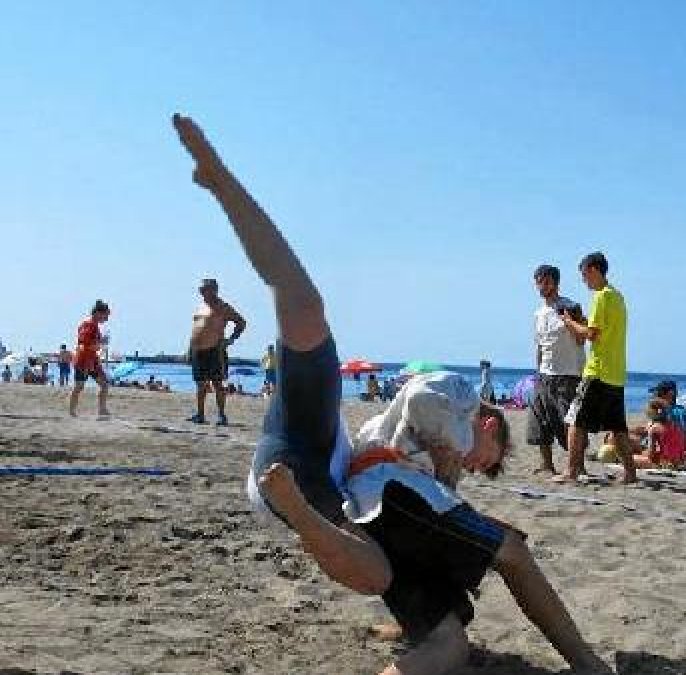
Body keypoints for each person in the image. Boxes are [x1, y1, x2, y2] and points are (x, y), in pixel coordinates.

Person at [172, 114, 611, 675]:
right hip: (347, 482)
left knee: (446, 643)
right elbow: (416, 403)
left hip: (327, 487)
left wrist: (447, 471)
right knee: (509, 550)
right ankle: (587, 664)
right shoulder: (459, 404)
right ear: (488, 425)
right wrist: (452, 443)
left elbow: (431, 487)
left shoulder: (410, 459)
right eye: (489, 454)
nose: (479, 464)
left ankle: (314, 530)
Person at [558, 252, 637, 484]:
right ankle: (630, 474)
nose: (584, 281)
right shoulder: (618, 297)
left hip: (599, 371)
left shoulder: (602, 297)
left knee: (575, 421)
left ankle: (571, 472)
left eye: (584, 275)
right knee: (618, 427)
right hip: (616, 373)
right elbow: (601, 331)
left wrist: (569, 322)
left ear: (594, 270)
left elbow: (592, 335)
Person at [527, 264, 587, 475]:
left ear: (555, 282)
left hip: (568, 374)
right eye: (539, 282)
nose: (542, 286)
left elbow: (582, 338)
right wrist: (537, 373)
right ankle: (547, 463)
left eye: (546, 281)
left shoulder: (571, 306)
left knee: (570, 421)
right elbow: (540, 345)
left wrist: (570, 320)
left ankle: (578, 466)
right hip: (545, 373)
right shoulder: (538, 313)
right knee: (540, 419)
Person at [188, 277, 246, 426]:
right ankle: (200, 415)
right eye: (200, 290)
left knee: (217, 383)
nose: (201, 292)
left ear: (213, 290)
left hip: (215, 349)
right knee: (200, 384)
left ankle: (221, 415)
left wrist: (231, 339)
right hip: (197, 350)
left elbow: (241, 322)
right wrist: (189, 350)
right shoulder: (200, 306)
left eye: (204, 289)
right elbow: (195, 329)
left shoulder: (223, 306)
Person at [648, 380, 686, 470]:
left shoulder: (661, 412)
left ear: (670, 393)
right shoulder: (681, 411)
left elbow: (651, 453)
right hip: (679, 458)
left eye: (659, 392)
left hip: (663, 459)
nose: (656, 395)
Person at [68, 300, 112, 418]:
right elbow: (84, 344)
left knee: (104, 384)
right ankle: (72, 411)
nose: (107, 318)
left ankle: (102, 409)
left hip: (92, 360)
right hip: (83, 360)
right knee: (79, 386)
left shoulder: (94, 325)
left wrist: (100, 343)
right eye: (106, 315)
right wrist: (101, 342)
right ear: (98, 313)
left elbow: (92, 344)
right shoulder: (88, 324)